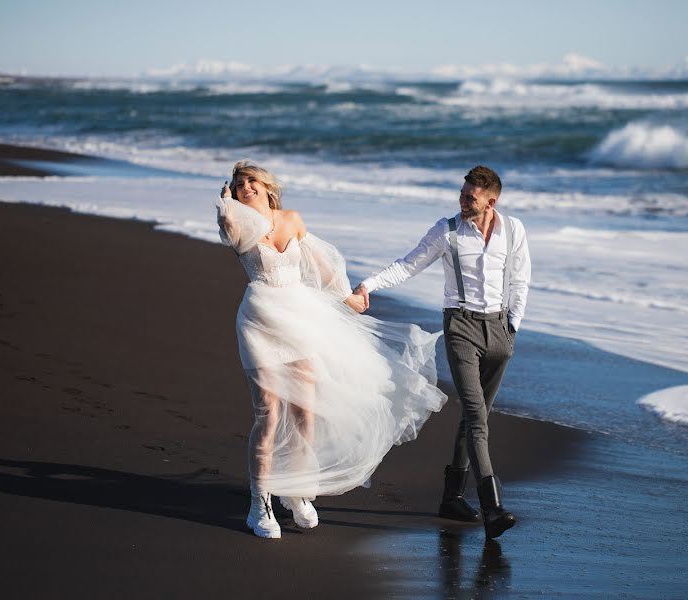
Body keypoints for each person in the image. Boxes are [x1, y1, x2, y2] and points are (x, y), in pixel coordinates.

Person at [217, 161, 447, 539]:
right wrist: (224, 206)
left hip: (300, 320)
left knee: (305, 412)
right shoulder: (239, 224)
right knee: (269, 414)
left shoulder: (291, 219)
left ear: (266, 185)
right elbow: (230, 234)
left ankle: (297, 490)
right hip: (260, 323)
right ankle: (259, 505)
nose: (245, 187)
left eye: (251, 181)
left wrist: (348, 299)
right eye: (239, 183)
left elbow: (320, 267)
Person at [355, 165, 530, 539]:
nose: (463, 200)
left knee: (477, 416)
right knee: (475, 415)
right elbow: (408, 265)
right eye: (463, 194)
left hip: (499, 330)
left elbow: (521, 278)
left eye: (471, 197)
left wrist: (511, 326)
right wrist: (369, 284)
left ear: (491, 201)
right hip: (461, 327)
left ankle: (451, 497)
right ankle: (492, 506)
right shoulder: (446, 231)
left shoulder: (513, 230)